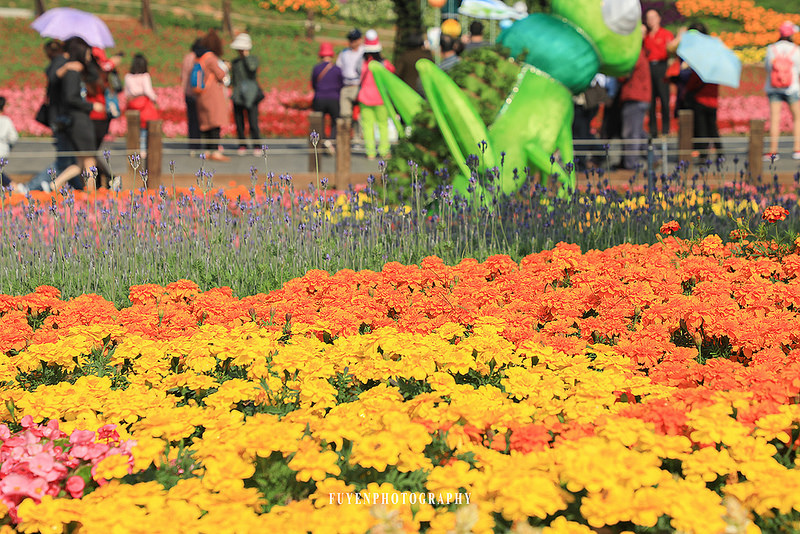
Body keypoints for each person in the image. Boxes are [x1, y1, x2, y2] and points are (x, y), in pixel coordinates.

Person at [52, 37, 105, 191]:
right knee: (89, 161)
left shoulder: (78, 71)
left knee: (80, 163)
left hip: (80, 120)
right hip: (79, 122)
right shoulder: (72, 73)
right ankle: (91, 195)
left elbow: (95, 76)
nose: (89, 58)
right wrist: (91, 105)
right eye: (88, 54)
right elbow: (71, 98)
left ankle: (55, 184)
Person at [27, 40, 78, 192]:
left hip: (57, 117)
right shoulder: (61, 62)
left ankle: (78, 187)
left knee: (71, 159)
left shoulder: (57, 62)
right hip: (61, 118)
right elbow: (53, 76)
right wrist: (67, 66)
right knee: (65, 160)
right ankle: (32, 186)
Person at [764, 21, 800, 161]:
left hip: (774, 87)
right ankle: (797, 149)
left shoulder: (771, 48)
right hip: (792, 88)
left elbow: (767, 67)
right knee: (797, 118)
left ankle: (773, 151)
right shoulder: (796, 49)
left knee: (774, 119)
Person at [357, 30, 395, 160]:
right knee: (383, 125)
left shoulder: (362, 63)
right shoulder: (384, 64)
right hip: (381, 99)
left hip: (365, 98)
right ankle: (384, 151)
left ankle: (370, 152)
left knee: (367, 126)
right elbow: (391, 75)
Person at [194, 30, 230, 162]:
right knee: (215, 123)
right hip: (212, 95)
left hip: (202, 94)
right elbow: (221, 74)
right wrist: (226, 67)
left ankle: (207, 149)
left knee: (206, 123)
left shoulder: (200, 57)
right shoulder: (211, 58)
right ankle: (214, 150)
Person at [617, 33, 651, 170]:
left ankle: (631, 163)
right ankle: (654, 157)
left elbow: (624, 74)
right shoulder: (640, 53)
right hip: (639, 96)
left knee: (631, 132)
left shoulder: (634, 55)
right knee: (638, 130)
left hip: (634, 96)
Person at [230, 33, 263, 156]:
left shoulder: (253, 59)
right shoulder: (235, 62)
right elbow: (233, 79)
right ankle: (242, 143)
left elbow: (251, 68)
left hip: (251, 94)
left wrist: (246, 56)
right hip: (238, 95)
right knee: (239, 122)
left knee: (253, 121)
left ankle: (257, 144)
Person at [644, 9, 674, 138]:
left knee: (664, 99)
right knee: (650, 101)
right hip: (648, 68)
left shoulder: (665, 34)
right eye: (648, 18)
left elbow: (672, 50)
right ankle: (653, 130)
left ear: (659, 18)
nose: (651, 21)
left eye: (653, 18)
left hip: (661, 67)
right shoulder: (645, 36)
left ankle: (666, 129)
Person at [311, 42, 343, 155]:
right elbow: (341, 84)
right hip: (334, 98)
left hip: (319, 98)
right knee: (335, 121)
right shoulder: (337, 69)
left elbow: (313, 84)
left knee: (320, 122)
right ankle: (331, 141)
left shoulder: (316, 68)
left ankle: (323, 141)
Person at [124, 53, 159, 157]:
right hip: (143, 103)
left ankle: (134, 148)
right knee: (144, 127)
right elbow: (148, 90)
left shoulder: (128, 76)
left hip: (132, 104)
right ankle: (143, 149)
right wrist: (155, 99)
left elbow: (126, 93)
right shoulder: (145, 76)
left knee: (134, 127)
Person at [336, 29, 364, 126]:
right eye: (351, 39)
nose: (352, 42)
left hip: (359, 86)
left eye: (355, 39)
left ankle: (359, 136)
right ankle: (346, 136)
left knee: (360, 115)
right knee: (345, 114)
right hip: (346, 85)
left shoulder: (364, 52)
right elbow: (339, 68)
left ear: (360, 40)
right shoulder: (344, 53)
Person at [181, 39, 203, 155]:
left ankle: (192, 145)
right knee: (200, 120)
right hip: (198, 93)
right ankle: (199, 144)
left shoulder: (187, 57)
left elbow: (182, 75)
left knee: (192, 120)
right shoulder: (200, 58)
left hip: (187, 92)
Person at [0, 96, 19, 189]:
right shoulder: (6, 121)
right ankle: (13, 187)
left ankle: (13, 187)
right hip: (3, 151)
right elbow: (14, 138)